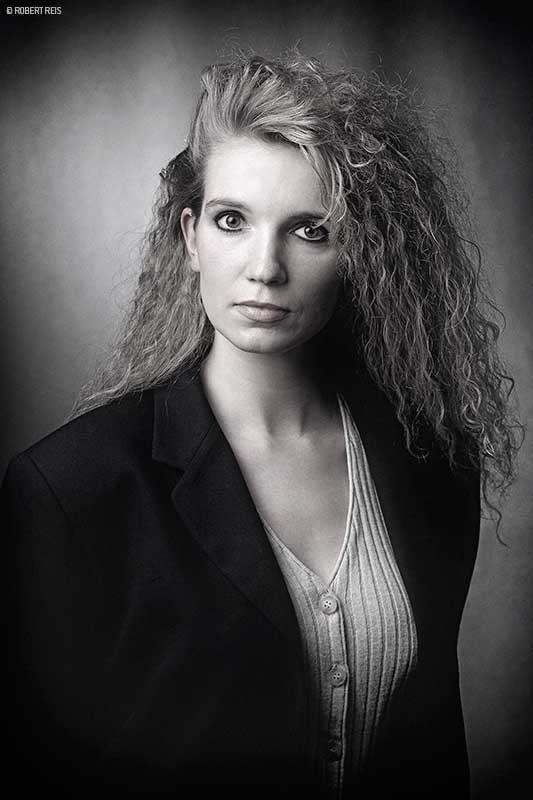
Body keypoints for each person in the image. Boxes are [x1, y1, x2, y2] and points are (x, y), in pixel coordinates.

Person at [2, 54, 521, 799]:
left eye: (310, 230)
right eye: (232, 221)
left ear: (360, 253)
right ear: (190, 237)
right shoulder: (71, 488)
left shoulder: (430, 458)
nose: (264, 268)